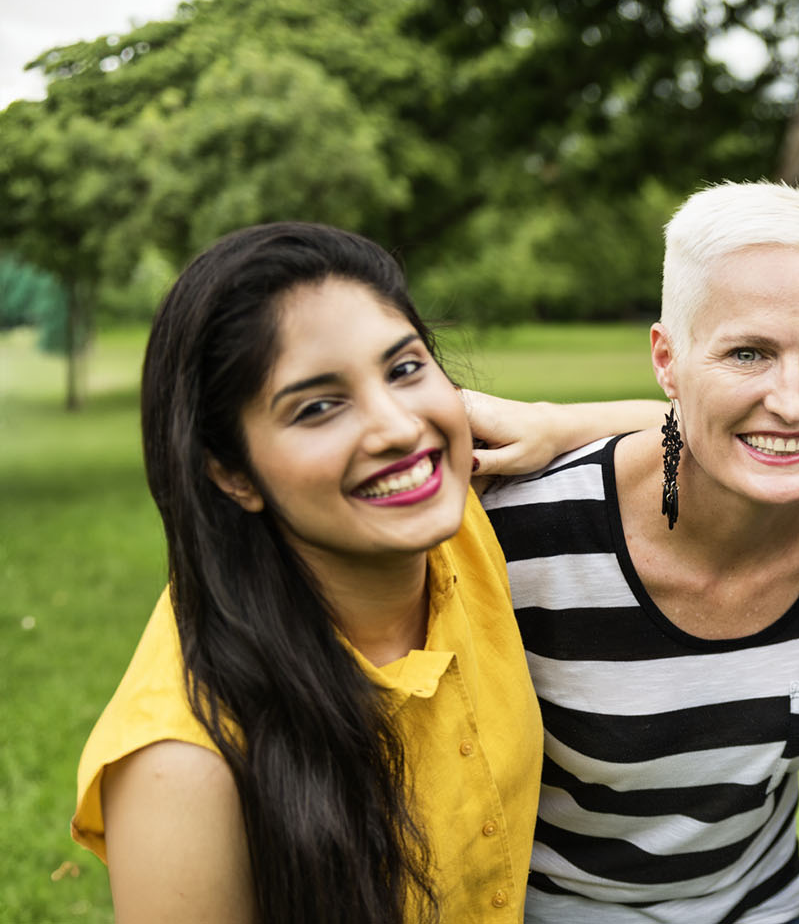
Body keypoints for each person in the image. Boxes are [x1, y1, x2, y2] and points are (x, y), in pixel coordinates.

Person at [476, 181, 799, 923]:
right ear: (666, 357)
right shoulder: (521, 538)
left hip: (764, 906)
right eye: (747, 352)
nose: (790, 398)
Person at [72, 222, 541, 923]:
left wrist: (558, 424)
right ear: (232, 474)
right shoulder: (182, 764)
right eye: (318, 407)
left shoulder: (454, 509)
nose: (398, 428)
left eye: (405, 367)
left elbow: (714, 441)